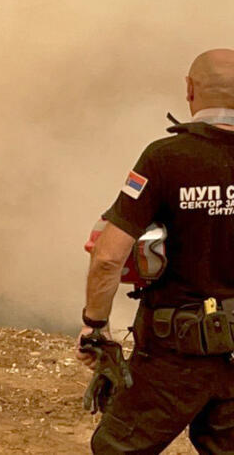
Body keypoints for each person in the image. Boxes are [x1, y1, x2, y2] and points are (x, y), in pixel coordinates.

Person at [80, 49, 234, 452]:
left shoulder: (165, 158)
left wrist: (95, 326)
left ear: (189, 90)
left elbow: (109, 255)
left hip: (174, 356)